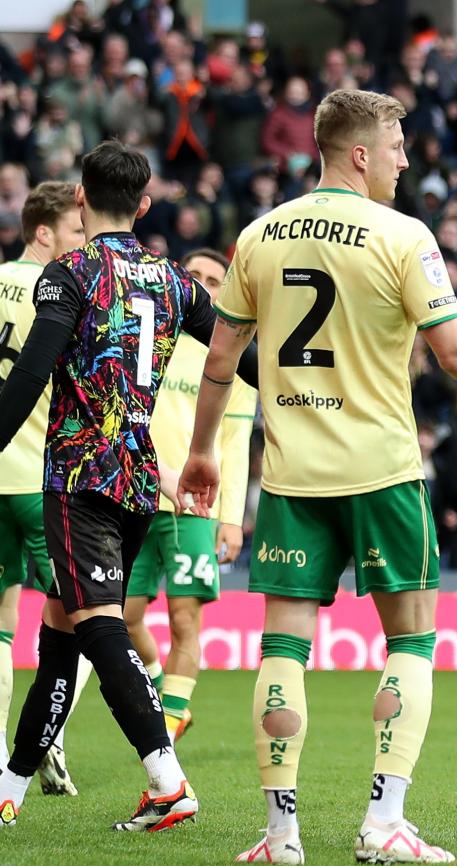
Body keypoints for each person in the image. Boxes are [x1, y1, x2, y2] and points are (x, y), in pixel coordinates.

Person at [177, 89, 457, 866]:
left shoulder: (257, 236)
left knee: (282, 648)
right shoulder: (403, 235)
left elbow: (220, 361)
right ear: (359, 153)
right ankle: (382, 823)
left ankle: (281, 834)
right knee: (411, 641)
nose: (405, 160)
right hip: (383, 470)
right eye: (397, 146)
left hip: (291, 476)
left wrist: (204, 450)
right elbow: (455, 355)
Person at [0, 140, 258, 830]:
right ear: (144, 206)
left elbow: (30, 374)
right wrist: (311, 398)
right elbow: (240, 354)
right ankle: (11, 786)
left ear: (79, 198)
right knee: (60, 635)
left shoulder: (70, 273)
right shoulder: (176, 281)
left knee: (99, 629)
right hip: (142, 480)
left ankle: (168, 781)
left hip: (80, 477)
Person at [123, 249, 257, 741]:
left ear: (225, 290)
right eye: (194, 276)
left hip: (195, 506)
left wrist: (231, 517)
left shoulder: (233, 354)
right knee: (125, 617)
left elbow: (237, 441)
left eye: (213, 279)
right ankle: (163, 693)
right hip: (135, 495)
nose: (203, 284)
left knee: (184, 618)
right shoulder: (146, 336)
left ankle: (170, 721)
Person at [0, 181, 86, 795]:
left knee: (2, 627)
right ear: (43, 233)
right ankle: (48, 731)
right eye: (76, 232)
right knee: (85, 621)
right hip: (40, 480)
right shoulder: (61, 292)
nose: (84, 243)